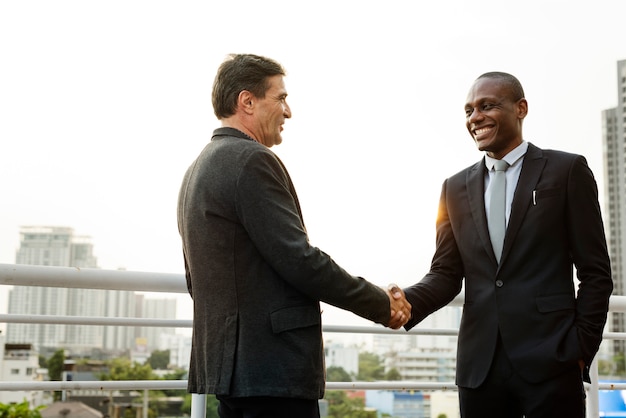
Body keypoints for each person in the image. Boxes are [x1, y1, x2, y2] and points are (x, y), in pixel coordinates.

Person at [177, 53, 411, 418]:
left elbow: (197, 280)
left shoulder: (197, 170)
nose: (288, 112)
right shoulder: (251, 160)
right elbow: (300, 261)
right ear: (247, 101)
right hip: (271, 375)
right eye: (281, 98)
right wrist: (380, 303)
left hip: (230, 374)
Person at [399, 72, 613, 417]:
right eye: (468, 110)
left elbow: (596, 273)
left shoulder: (566, 170)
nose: (475, 118)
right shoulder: (453, 188)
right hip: (480, 371)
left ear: (521, 109)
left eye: (487, 106)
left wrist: (580, 348)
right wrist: (400, 302)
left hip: (553, 362)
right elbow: (445, 274)